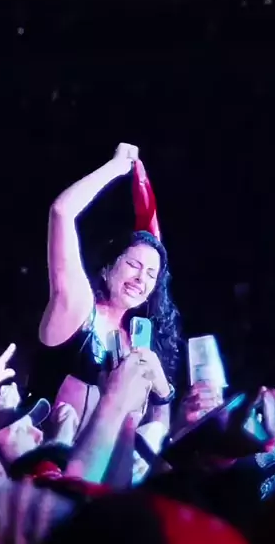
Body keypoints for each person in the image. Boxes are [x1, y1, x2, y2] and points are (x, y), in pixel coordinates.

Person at [39, 143, 180, 435]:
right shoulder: (78, 310)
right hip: (48, 458)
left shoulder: (140, 342)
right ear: (106, 268)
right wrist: (116, 167)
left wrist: (163, 391)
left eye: (151, 274)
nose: (141, 278)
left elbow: (154, 431)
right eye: (133, 265)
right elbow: (62, 212)